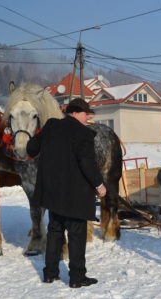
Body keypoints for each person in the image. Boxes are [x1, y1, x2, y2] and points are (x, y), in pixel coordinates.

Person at [26, 98, 106, 289]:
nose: (88, 118)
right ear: (76, 113)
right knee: (77, 235)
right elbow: (87, 163)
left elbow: (31, 148)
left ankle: (50, 274)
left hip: (53, 194)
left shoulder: (51, 126)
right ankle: (77, 277)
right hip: (75, 196)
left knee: (55, 230)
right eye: (86, 114)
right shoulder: (83, 133)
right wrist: (99, 185)